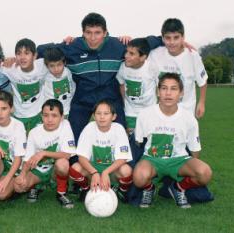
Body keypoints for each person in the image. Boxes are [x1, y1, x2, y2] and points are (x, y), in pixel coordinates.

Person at [37, 12, 163, 143]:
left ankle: (123, 161)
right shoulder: (72, 47)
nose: (92, 37)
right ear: (82, 33)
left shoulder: (118, 45)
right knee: (72, 136)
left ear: (105, 33)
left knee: (121, 135)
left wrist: (168, 41)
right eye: (88, 32)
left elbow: (147, 43)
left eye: (97, 32)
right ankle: (74, 162)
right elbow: (42, 50)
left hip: (111, 97)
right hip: (83, 98)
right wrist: (21, 57)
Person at [133, 73, 212, 208]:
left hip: (179, 160)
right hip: (153, 159)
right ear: (158, 92)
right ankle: (149, 189)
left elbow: (194, 148)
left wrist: (194, 167)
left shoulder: (188, 118)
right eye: (164, 88)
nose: (168, 93)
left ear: (181, 93)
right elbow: (138, 143)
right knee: (139, 178)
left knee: (205, 173)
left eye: (173, 89)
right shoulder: (145, 115)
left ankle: (178, 187)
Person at [14, 99, 76, 209]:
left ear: (62, 117)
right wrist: (22, 175)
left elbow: (67, 154)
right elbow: (27, 159)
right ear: (41, 116)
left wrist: (43, 153)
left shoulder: (65, 125)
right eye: (46, 115)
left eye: (54, 115)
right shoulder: (34, 133)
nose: (50, 120)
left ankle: (61, 193)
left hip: (54, 170)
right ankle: (37, 186)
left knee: (63, 164)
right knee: (18, 187)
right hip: (37, 170)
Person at [69, 99, 133, 202]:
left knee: (127, 170)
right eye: (98, 113)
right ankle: (86, 189)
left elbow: (122, 158)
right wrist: (94, 173)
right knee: (75, 168)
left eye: (106, 113)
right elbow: (82, 157)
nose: (102, 117)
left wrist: (105, 172)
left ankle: (121, 190)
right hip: (93, 167)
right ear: (94, 116)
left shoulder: (119, 129)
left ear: (113, 116)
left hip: (111, 169)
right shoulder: (89, 128)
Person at [148, 18, 208, 119]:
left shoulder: (193, 55)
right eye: (168, 38)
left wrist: (201, 102)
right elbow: (136, 50)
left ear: (183, 37)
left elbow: (203, 81)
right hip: (162, 112)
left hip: (186, 111)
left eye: (176, 38)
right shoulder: (154, 54)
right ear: (162, 38)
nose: (172, 42)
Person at [116, 38, 158, 135]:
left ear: (143, 57)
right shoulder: (123, 67)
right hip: (130, 112)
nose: (126, 56)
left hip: (149, 112)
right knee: (132, 141)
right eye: (126, 52)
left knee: (148, 140)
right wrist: (125, 102)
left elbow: (160, 85)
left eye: (131, 53)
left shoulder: (152, 68)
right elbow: (121, 84)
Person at [43, 47, 75, 117]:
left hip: (69, 110)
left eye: (59, 65)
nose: (56, 69)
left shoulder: (69, 72)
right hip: (53, 112)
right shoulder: (44, 75)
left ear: (64, 63)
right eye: (52, 66)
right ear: (46, 66)